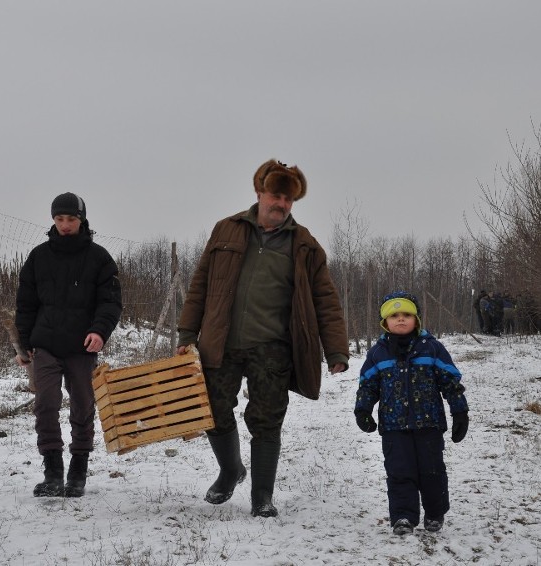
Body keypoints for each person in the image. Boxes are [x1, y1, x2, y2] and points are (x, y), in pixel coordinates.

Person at [177, 159, 349, 518]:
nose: (281, 204)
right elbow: (200, 285)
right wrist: (187, 333)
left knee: (267, 419)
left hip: (273, 347)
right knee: (213, 409)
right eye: (276, 196)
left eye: (288, 200)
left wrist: (335, 349)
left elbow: (326, 301)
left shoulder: (305, 246)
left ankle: (262, 496)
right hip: (220, 341)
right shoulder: (226, 230)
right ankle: (230, 471)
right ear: (259, 193)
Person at [15, 192, 122, 498]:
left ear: (82, 220)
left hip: (81, 347)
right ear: (53, 220)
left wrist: (99, 332)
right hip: (45, 345)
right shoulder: (39, 257)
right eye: (59, 219)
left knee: (83, 406)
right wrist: (23, 345)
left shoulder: (99, 258)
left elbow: (111, 303)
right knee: (46, 403)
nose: (64, 225)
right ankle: (52, 472)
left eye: (71, 219)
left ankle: (78, 470)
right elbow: (25, 305)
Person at [354, 291, 469, 536]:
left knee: (432, 470)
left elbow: (450, 381)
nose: (401, 319)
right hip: (394, 427)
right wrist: (363, 410)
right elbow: (368, 385)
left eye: (407, 314)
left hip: (429, 424)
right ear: (385, 322)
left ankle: (435, 513)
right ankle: (403, 516)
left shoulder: (433, 348)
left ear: (416, 319)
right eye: (394, 315)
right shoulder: (378, 353)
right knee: (399, 471)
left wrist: (460, 411)